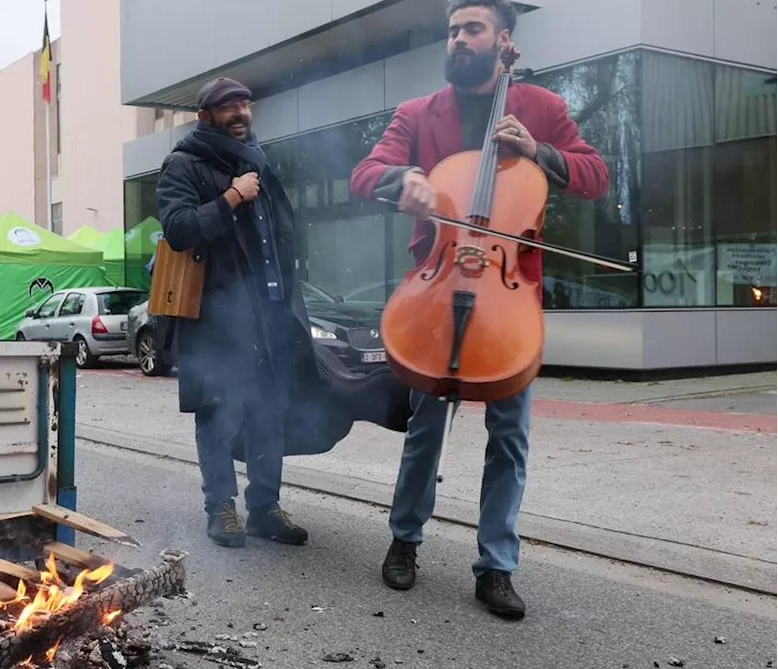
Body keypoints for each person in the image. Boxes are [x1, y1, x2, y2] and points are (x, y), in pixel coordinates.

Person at [349, 0, 610, 620]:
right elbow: (366, 173)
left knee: (510, 438)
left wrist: (542, 152)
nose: (459, 39)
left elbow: (596, 173)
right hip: (437, 291)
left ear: (503, 40)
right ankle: (404, 540)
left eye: (472, 29)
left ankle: (496, 566)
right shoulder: (417, 113)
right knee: (424, 429)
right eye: (452, 31)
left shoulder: (541, 108)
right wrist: (402, 179)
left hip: (506, 294)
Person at [156, 76, 326, 549]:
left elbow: (282, 236)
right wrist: (231, 197)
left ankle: (265, 509)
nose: (240, 113)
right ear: (204, 116)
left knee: (270, 410)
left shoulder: (260, 163)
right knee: (219, 411)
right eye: (228, 106)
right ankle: (221, 509)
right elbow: (179, 230)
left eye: (244, 104)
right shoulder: (184, 164)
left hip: (270, 312)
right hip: (217, 318)